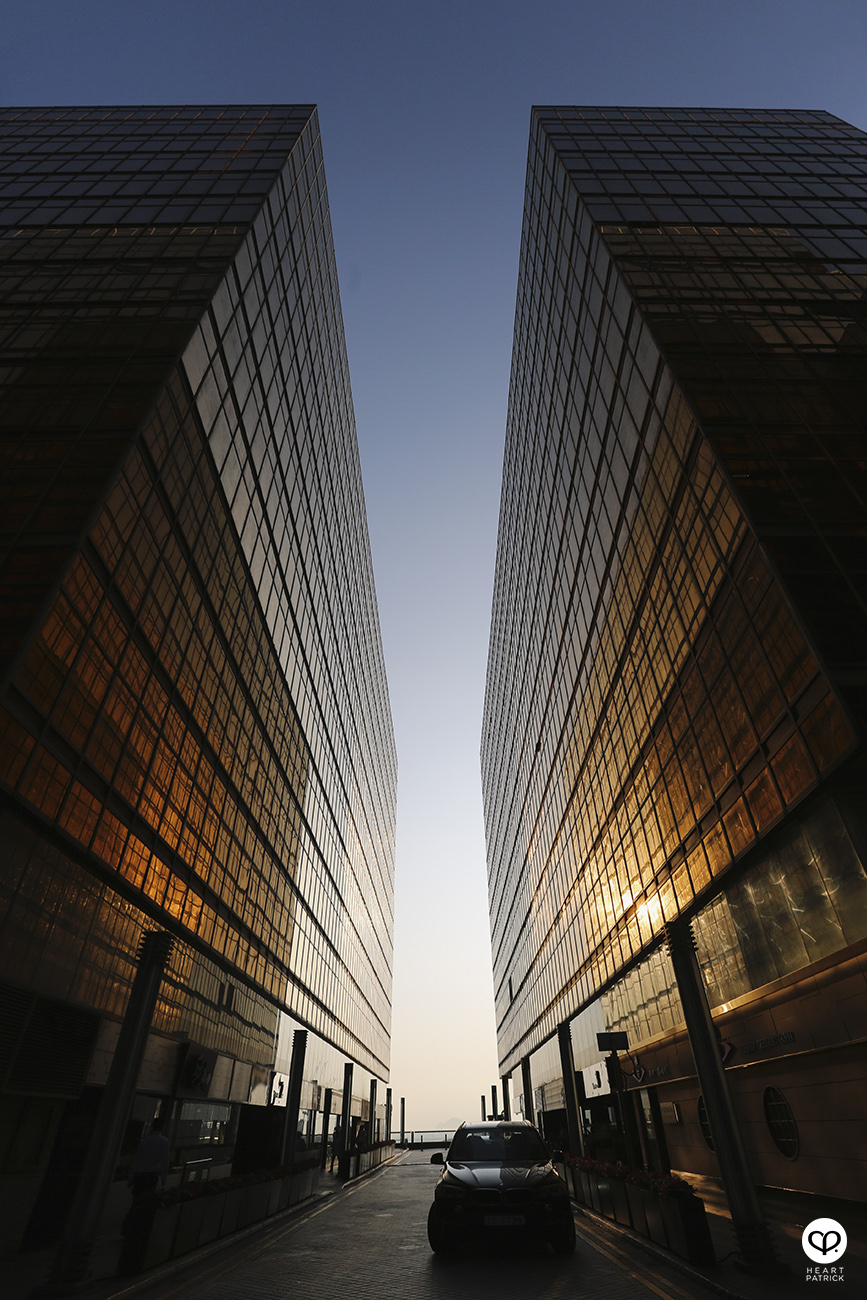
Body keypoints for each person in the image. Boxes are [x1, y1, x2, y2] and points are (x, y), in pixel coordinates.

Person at [118, 1116, 171, 1275]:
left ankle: (127, 1228)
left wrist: (131, 1177)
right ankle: (138, 1229)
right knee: (145, 1202)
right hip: (150, 1176)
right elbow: (164, 1160)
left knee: (136, 1201)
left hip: (140, 1176)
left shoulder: (144, 1141)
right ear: (162, 1126)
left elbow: (136, 1159)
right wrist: (163, 1178)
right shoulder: (163, 1141)